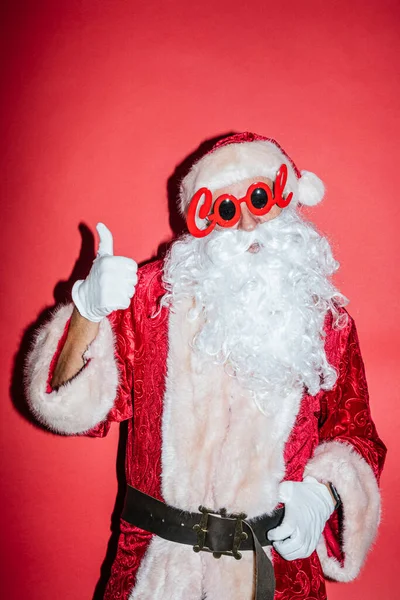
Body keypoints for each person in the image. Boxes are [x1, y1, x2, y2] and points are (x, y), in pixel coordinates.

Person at [26, 132, 386, 600]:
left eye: (261, 197)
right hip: (155, 571)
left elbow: (355, 434)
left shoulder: (325, 319)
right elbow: (65, 402)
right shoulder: (152, 300)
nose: (249, 223)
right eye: (225, 208)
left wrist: (323, 496)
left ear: (291, 197)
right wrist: (86, 312)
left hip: (275, 574)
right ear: (201, 219)